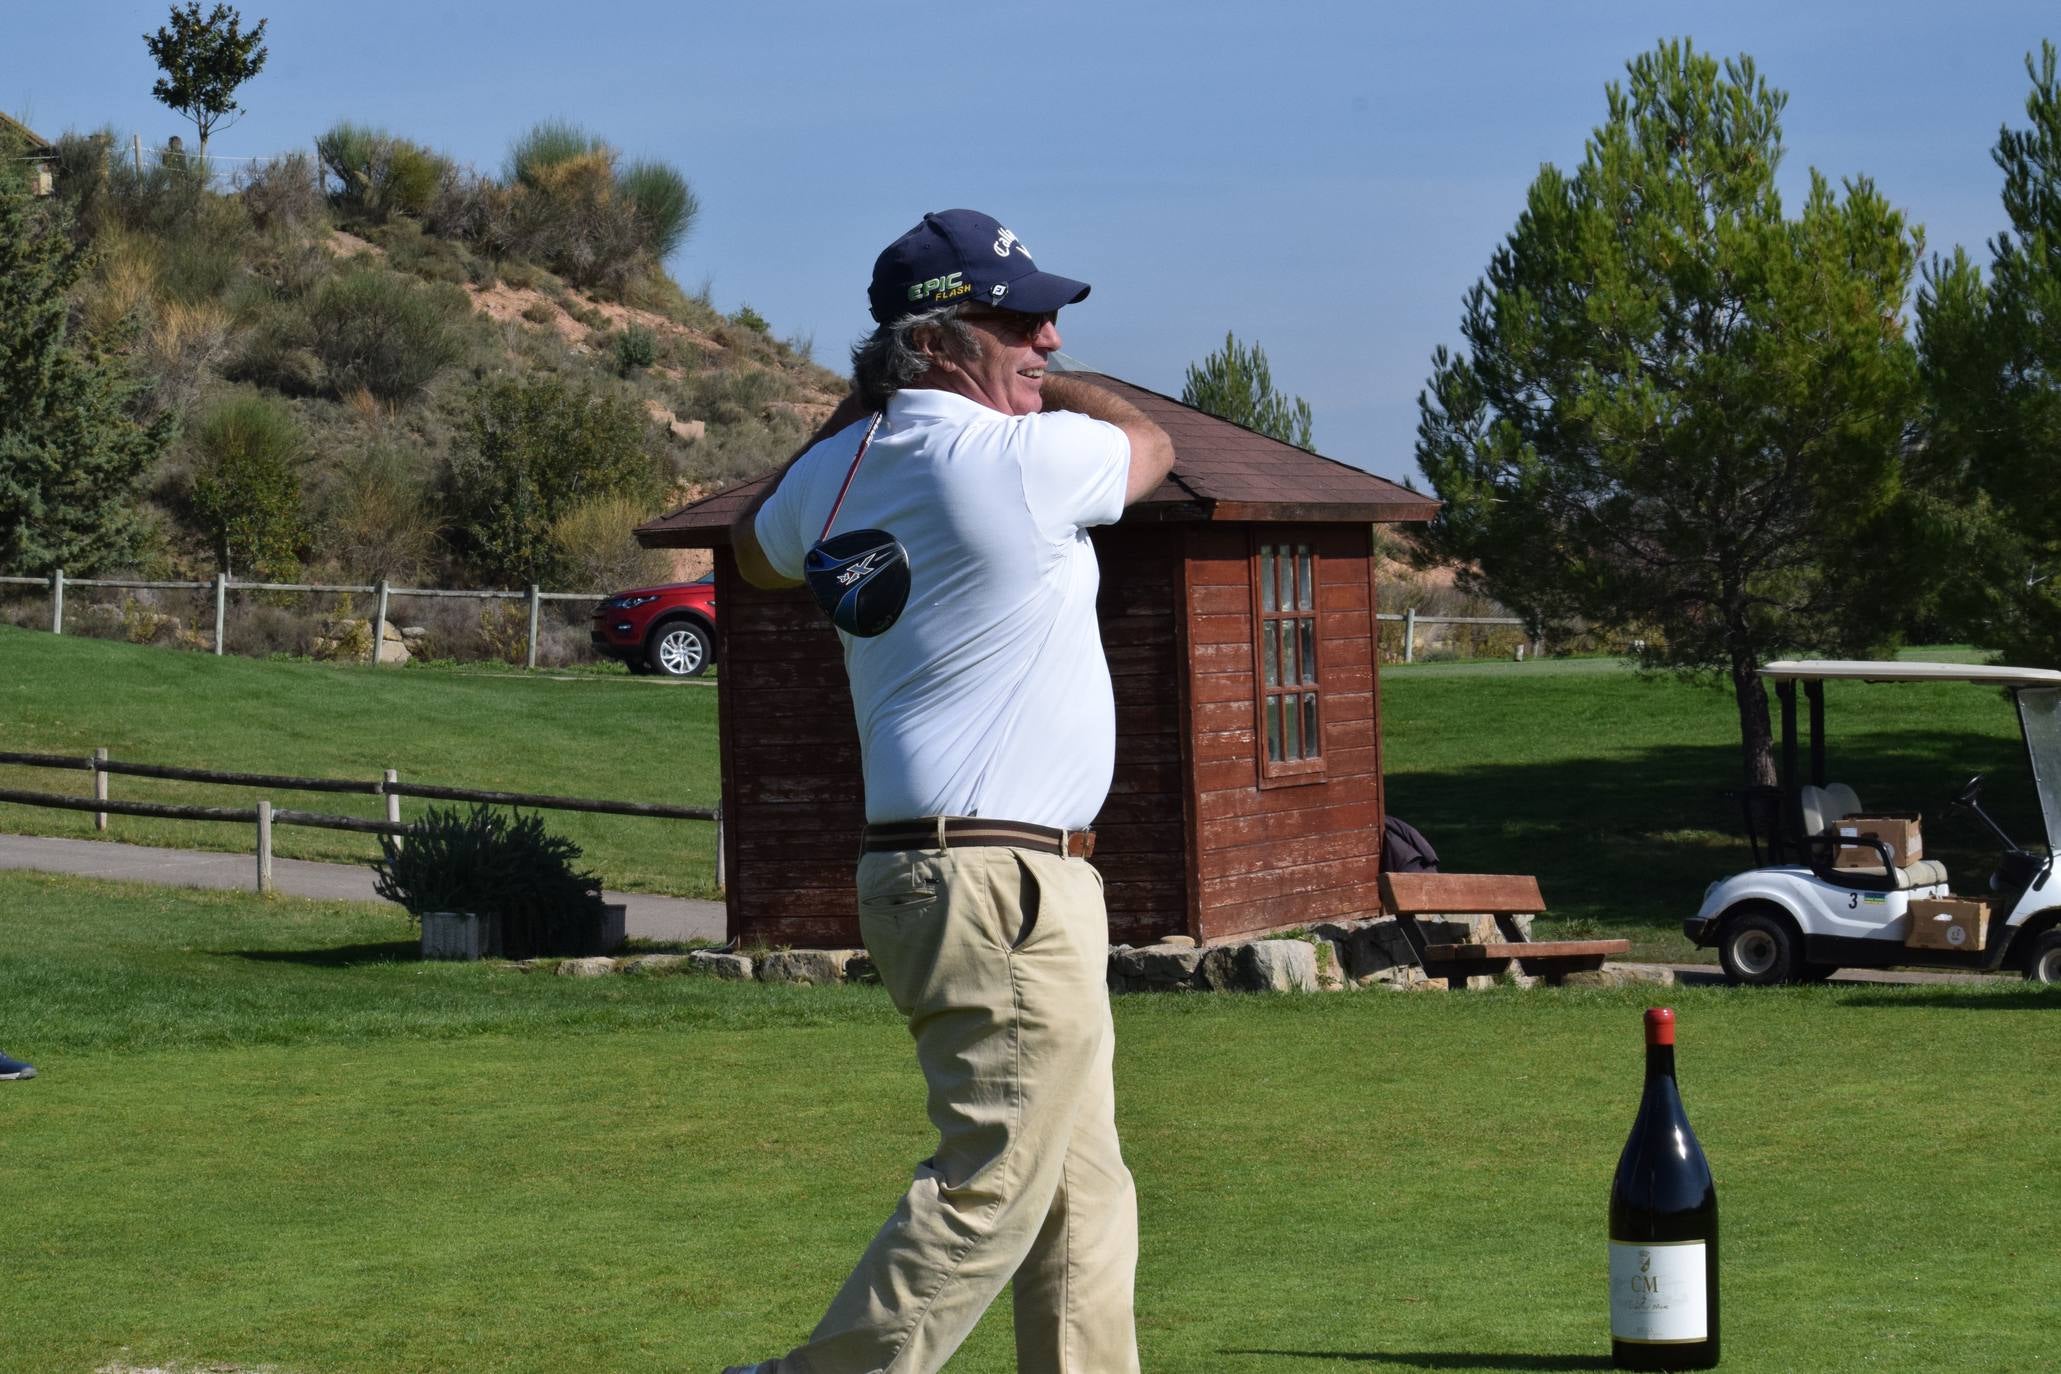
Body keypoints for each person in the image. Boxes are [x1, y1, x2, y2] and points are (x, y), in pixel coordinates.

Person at [723, 209, 1175, 1374]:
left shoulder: (833, 475)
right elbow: (1152, 449)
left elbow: (753, 548)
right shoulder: (1020, 463)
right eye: (1018, 319)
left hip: (938, 875)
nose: (1051, 340)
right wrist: (1083, 392)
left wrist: (860, 404)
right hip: (1008, 881)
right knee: (993, 1185)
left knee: (1081, 1186)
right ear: (935, 340)